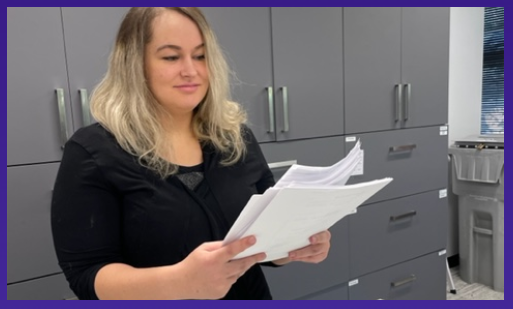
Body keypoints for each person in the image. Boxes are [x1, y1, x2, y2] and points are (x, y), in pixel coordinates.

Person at [51, 7, 331, 300]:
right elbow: (87, 275)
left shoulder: (235, 138)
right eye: (171, 57)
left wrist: (295, 245)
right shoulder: (93, 152)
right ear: (134, 64)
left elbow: (265, 241)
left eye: (200, 56)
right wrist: (180, 281)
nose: (191, 70)